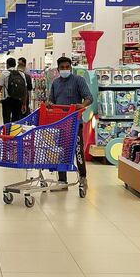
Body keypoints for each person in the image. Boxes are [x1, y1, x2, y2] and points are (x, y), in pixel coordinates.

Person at [49, 56, 92, 189]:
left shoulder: (78, 80)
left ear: (71, 68)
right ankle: (62, 180)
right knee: (61, 151)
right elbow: (51, 100)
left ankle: (83, 177)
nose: (65, 69)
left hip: (75, 122)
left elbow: (89, 98)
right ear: (58, 69)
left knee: (78, 150)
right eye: (62, 68)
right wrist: (49, 104)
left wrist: (82, 105)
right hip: (60, 123)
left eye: (67, 67)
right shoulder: (55, 83)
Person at [0, 57, 27, 124]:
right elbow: (24, 90)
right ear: (15, 65)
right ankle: (14, 133)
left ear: (7, 65)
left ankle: (6, 133)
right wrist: (24, 104)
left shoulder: (4, 73)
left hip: (7, 100)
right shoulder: (22, 74)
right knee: (16, 120)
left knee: (6, 120)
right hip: (18, 100)